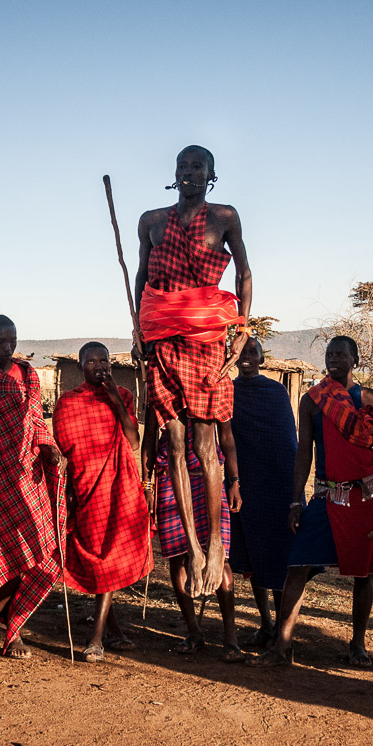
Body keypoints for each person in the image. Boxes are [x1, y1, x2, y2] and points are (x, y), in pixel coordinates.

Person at [134, 144, 253, 600]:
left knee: (205, 444)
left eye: (197, 166)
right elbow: (142, 277)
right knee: (175, 441)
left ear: (210, 174)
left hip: (205, 337)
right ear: (174, 172)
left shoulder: (225, 216)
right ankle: (193, 547)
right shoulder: (151, 220)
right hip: (162, 338)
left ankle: (217, 545)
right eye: (182, 165)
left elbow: (244, 273)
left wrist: (242, 329)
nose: (189, 172)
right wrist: (138, 327)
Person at [249, 336, 373, 669]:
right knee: (297, 565)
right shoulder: (313, 400)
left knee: (364, 573)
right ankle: (282, 646)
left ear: (355, 360)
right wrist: (295, 501)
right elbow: (304, 452)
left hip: (367, 497)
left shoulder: (372, 401)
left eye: (341, 355)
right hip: (327, 497)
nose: (333, 360)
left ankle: (358, 644)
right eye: (329, 354)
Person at [0, 316, 63, 659]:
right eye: (0, 342)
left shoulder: (29, 374)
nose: (7, 347)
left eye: (12, 341)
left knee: (33, 553)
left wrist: (48, 446)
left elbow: (36, 420)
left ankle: (5, 626)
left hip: (27, 478)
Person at [53, 343, 152, 663]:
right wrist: (68, 488)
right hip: (86, 488)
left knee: (110, 558)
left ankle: (96, 638)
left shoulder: (123, 395)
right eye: (91, 361)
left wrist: (114, 400)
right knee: (99, 558)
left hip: (120, 487)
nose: (99, 366)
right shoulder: (68, 402)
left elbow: (133, 441)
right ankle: (113, 630)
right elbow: (66, 447)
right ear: (80, 366)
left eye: (104, 360)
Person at [144, 408, 243, 659]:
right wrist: (147, 485)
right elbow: (149, 438)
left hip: (208, 480)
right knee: (178, 557)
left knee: (220, 557)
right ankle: (193, 632)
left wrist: (234, 481)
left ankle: (231, 638)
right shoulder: (162, 391)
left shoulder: (210, 390)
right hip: (170, 480)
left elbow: (227, 438)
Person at [228, 336, 298, 650]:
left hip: (276, 483)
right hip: (243, 483)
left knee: (278, 553)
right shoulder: (227, 391)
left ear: (262, 358)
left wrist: (293, 491)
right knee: (252, 555)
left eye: (252, 351)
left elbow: (287, 442)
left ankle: (282, 627)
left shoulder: (276, 392)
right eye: (241, 351)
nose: (246, 356)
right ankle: (266, 623)